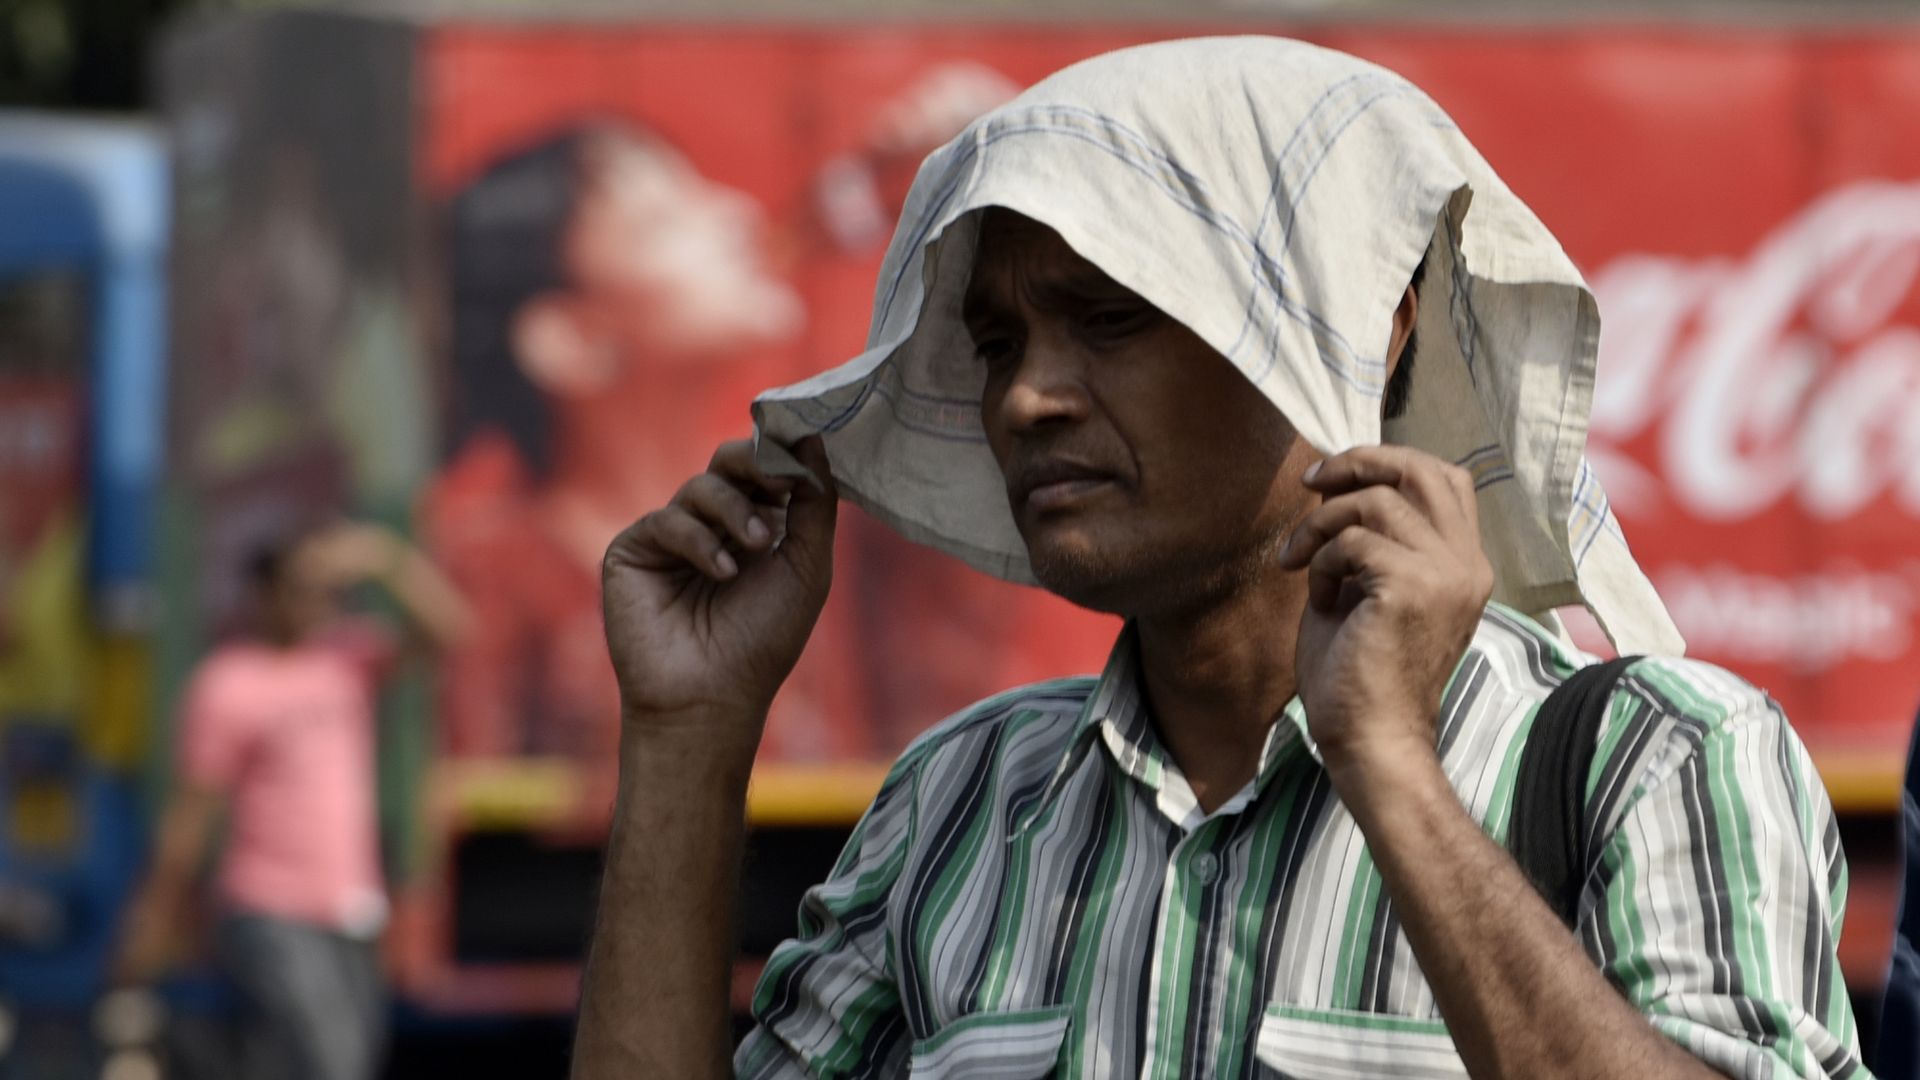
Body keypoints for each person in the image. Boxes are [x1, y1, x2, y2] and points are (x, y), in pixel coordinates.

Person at [573, 38, 1865, 1080]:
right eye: (1000, 342)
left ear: (1363, 324)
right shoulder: (958, 805)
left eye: (1109, 318)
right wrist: (687, 733)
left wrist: (1392, 772)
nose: (1028, 399)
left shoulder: (1652, 757)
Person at [428, 122, 861, 762]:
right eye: (663, 222)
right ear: (574, 340)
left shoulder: (830, 517)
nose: (739, 215)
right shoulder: (482, 588)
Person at [112, 520, 471, 1080]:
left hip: (351, 906)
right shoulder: (230, 683)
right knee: (330, 1062)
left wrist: (384, 559)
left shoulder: (346, 661)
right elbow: (194, 810)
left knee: (338, 1058)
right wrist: (156, 913)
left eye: (325, 592)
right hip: (269, 907)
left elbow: (450, 632)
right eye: (301, 590)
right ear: (264, 595)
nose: (317, 605)